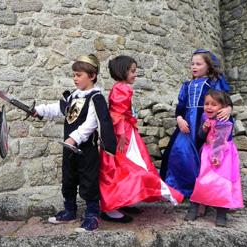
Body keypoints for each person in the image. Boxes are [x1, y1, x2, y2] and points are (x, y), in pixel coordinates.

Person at [34, 54, 117, 232]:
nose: (75, 78)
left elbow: (92, 123)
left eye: (79, 75)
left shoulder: (96, 98)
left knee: (88, 181)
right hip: (69, 148)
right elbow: (58, 109)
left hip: (86, 150)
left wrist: (75, 138)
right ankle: (70, 210)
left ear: (92, 76)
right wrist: (39, 110)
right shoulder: (73, 97)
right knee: (69, 178)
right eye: (74, 75)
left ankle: (92, 215)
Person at [99, 55, 184, 223]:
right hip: (122, 134)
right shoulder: (122, 89)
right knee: (125, 167)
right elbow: (116, 114)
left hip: (125, 131)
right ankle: (111, 207)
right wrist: (122, 134)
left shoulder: (121, 88)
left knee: (126, 167)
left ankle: (123, 199)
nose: (135, 75)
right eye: (132, 71)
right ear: (122, 71)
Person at [160, 49, 232, 198]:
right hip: (187, 124)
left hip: (205, 122)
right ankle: (181, 189)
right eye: (192, 64)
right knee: (180, 152)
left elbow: (223, 100)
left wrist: (229, 108)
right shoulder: (187, 85)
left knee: (204, 155)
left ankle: (203, 192)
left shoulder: (213, 83)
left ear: (208, 66)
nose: (194, 67)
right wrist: (179, 119)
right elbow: (180, 107)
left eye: (198, 64)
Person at [187, 89, 243, 226]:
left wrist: (217, 155)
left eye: (214, 104)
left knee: (223, 183)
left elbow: (223, 138)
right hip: (207, 152)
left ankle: (221, 214)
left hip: (224, 155)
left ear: (223, 107)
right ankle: (193, 209)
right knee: (202, 181)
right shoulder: (204, 117)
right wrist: (204, 129)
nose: (209, 107)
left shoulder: (225, 119)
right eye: (206, 104)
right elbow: (200, 136)